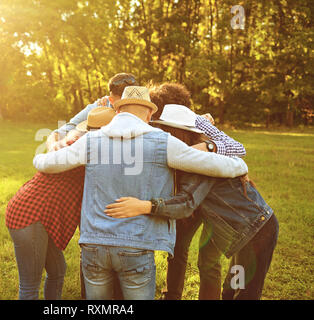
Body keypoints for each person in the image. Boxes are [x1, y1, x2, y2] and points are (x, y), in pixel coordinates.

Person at [33, 86, 249, 299]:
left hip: (94, 245)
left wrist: (48, 149)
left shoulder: (91, 141)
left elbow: (45, 163)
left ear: (118, 111)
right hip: (137, 244)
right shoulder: (163, 143)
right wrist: (240, 166)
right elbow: (215, 165)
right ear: (149, 114)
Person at [104, 117, 278, 300]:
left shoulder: (202, 162)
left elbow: (186, 203)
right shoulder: (192, 157)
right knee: (232, 289)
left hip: (257, 233)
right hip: (243, 236)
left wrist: (145, 206)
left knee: (243, 293)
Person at [148, 83, 247, 300]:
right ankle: (171, 295)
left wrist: (207, 147)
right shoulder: (153, 121)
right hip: (187, 194)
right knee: (177, 247)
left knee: (208, 258)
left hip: (213, 199)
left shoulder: (196, 121)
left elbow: (239, 148)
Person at [5, 107, 116, 300]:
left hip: (41, 214)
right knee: (30, 285)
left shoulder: (84, 143)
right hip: (30, 214)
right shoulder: (84, 147)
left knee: (58, 270)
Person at [46, 73, 137, 151]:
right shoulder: (99, 108)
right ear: (111, 100)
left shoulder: (145, 109)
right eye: (119, 105)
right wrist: (53, 146)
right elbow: (63, 130)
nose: (124, 109)